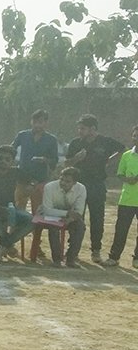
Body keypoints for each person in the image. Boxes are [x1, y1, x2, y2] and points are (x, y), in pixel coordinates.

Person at [65, 115, 125, 263]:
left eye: (83, 128)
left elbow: (122, 149)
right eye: (79, 128)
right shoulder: (76, 143)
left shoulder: (105, 141)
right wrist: (76, 159)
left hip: (97, 185)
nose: (80, 131)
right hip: (78, 186)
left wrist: (108, 160)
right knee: (76, 217)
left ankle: (96, 250)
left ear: (93, 129)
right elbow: (66, 164)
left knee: (97, 219)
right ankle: (73, 250)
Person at [12, 109, 59, 259]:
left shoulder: (51, 139)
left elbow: (55, 160)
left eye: (41, 122)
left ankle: (36, 245)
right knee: (17, 211)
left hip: (40, 181)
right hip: (22, 179)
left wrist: (46, 160)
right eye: (35, 121)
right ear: (31, 121)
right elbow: (11, 150)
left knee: (37, 214)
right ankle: (11, 243)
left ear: (46, 123)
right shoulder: (22, 135)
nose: (38, 125)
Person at [0, 145, 34, 261]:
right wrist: (1, 209)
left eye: (7, 159)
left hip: (10, 209)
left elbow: (31, 183)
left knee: (31, 220)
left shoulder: (16, 172)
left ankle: (3, 244)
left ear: (12, 162)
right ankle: (8, 246)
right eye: (0, 158)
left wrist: (28, 189)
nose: (3, 161)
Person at [38, 166, 87, 267]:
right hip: (50, 216)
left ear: (74, 182)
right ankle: (56, 259)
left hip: (70, 217)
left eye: (68, 181)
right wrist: (66, 214)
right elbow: (47, 210)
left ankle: (71, 258)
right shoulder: (49, 187)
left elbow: (79, 212)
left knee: (80, 226)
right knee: (54, 227)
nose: (63, 183)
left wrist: (70, 219)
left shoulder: (81, 189)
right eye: (62, 179)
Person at [104, 124, 138, 268]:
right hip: (127, 200)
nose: (136, 139)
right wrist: (128, 179)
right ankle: (114, 257)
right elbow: (120, 174)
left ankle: (137, 258)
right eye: (135, 136)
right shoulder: (126, 155)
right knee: (121, 230)